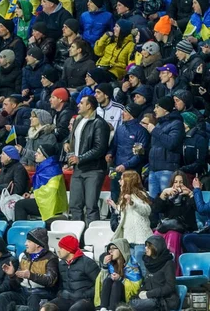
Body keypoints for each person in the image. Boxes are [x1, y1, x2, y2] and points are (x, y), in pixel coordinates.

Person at [65, 95, 110, 225]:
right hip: (78, 169)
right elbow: (73, 139)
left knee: (91, 206)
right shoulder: (78, 120)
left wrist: (80, 158)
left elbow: (100, 148)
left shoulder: (99, 123)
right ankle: (77, 237)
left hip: (94, 169)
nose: (78, 105)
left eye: (82, 103)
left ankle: (91, 236)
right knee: (75, 205)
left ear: (89, 105)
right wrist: (67, 143)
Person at [0, 227, 59, 311]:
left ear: (37, 244)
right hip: (24, 291)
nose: (25, 244)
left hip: (42, 293)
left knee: (33, 298)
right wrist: (12, 276)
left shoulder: (51, 258)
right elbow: (16, 285)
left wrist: (31, 275)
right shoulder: (24, 256)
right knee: (3, 297)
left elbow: (51, 280)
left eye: (29, 241)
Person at [152, 171, 197, 275]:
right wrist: (163, 195)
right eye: (175, 182)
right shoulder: (168, 196)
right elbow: (155, 209)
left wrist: (190, 194)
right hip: (166, 228)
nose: (178, 184)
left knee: (173, 235)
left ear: (185, 183)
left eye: (181, 182)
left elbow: (194, 211)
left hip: (183, 228)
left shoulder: (190, 196)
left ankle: (173, 273)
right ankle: (157, 273)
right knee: (155, 237)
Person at [144, 96, 185, 199]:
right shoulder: (158, 125)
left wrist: (154, 131)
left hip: (167, 170)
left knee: (168, 202)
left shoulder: (177, 124)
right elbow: (155, 147)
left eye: (157, 107)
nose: (154, 110)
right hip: (153, 170)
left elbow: (171, 143)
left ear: (165, 109)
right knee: (154, 205)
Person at [14, 144, 68, 222]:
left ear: (45, 156)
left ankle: (21, 230)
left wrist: (34, 195)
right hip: (44, 199)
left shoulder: (52, 170)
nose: (35, 154)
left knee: (20, 205)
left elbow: (51, 191)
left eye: (39, 153)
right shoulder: (47, 167)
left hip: (52, 204)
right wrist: (31, 194)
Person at [49, 235, 100, 311]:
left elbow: (99, 284)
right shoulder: (61, 264)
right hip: (66, 298)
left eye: (61, 248)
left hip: (85, 300)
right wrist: (61, 293)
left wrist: (84, 294)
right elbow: (60, 284)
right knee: (47, 307)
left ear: (69, 250)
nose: (58, 250)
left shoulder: (87, 263)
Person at [129, 236, 179, 311]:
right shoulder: (149, 262)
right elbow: (146, 282)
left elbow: (170, 287)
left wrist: (148, 294)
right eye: (146, 246)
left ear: (156, 248)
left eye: (148, 246)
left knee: (135, 306)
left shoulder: (168, 263)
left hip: (165, 300)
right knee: (131, 302)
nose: (145, 248)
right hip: (151, 298)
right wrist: (140, 293)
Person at [95, 239, 143, 311]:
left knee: (117, 283)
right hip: (110, 296)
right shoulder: (110, 263)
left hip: (125, 297)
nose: (110, 251)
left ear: (121, 249)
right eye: (109, 249)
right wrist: (104, 266)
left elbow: (136, 288)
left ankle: (112, 309)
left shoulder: (132, 265)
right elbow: (101, 283)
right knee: (108, 280)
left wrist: (121, 279)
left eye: (113, 248)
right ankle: (103, 308)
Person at [108, 171, 153, 247]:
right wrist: (115, 206)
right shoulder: (124, 197)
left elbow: (147, 210)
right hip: (128, 238)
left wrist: (133, 203)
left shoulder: (139, 195)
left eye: (122, 179)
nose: (119, 181)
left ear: (128, 182)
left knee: (139, 258)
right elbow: (125, 212)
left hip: (140, 239)